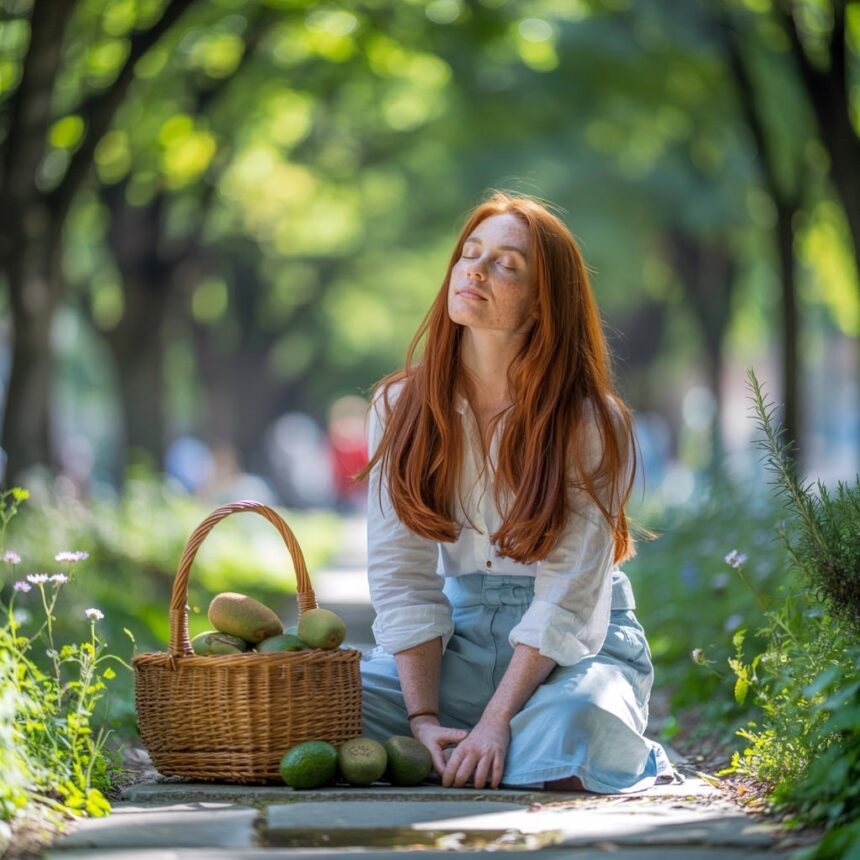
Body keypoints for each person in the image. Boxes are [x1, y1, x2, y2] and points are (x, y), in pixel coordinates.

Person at [355, 192, 680, 793]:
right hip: (458, 640)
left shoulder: (590, 419)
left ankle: (512, 745)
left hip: (573, 650)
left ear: (542, 303)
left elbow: (570, 594)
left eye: (506, 264)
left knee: (576, 725)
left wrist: (496, 721)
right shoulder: (398, 406)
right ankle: (469, 749)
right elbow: (402, 575)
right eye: (470, 254)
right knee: (327, 711)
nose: (475, 270)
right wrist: (422, 719)